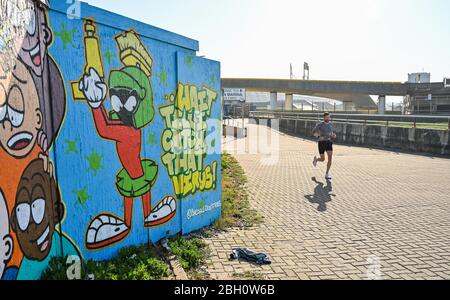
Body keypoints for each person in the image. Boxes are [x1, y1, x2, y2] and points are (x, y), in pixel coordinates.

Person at [312, 113, 336, 180]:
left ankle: (327, 173)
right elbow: (313, 132)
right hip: (321, 143)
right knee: (322, 159)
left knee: (330, 158)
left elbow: (331, 133)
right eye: (327, 117)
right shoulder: (320, 124)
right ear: (324, 118)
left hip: (328, 142)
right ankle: (316, 159)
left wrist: (333, 135)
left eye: (329, 117)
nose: (328, 119)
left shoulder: (331, 124)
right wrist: (319, 136)